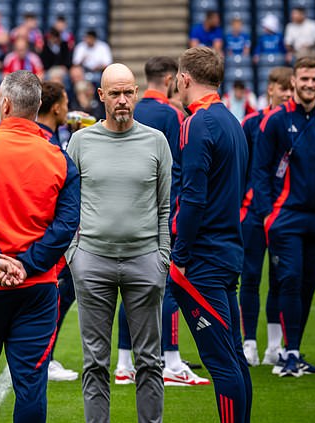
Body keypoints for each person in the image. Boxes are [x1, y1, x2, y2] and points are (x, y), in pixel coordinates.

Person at [0, 70, 80, 422]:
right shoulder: (59, 158)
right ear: (38, 107)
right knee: (31, 386)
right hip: (37, 290)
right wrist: (29, 264)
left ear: (5, 104)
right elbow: (66, 224)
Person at [66, 63, 171, 423]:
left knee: (149, 361)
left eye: (128, 92)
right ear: (101, 97)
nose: (123, 100)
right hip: (92, 261)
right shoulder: (80, 141)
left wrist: (163, 257)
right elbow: (68, 203)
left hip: (145, 261)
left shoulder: (156, 141)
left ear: (137, 93)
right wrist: (73, 255)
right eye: (115, 93)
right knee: (95, 362)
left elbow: (165, 205)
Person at [114, 56, 208, 387]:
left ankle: (124, 364)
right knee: (164, 288)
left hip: (126, 214)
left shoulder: (129, 111)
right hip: (160, 215)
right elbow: (178, 171)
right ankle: (171, 361)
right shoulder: (174, 116)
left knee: (127, 288)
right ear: (169, 79)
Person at [169, 46, 252, 422]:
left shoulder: (197, 123)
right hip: (227, 250)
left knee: (220, 362)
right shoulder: (233, 120)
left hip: (203, 258)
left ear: (185, 79)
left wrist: (181, 257)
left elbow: (193, 198)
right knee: (233, 355)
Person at [252, 57, 315, 377]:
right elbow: (260, 171)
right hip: (285, 218)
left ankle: (294, 350)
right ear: (294, 81)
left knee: (306, 284)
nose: (309, 84)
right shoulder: (275, 120)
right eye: (304, 79)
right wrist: (268, 216)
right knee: (289, 279)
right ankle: (288, 355)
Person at [239, 66, 293, 367]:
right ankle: (250, 345)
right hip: (251, 213)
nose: (286, 93)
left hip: (283, 213)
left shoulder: (294, 124)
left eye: (290, 88)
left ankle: (274, 346)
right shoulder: (251, 123)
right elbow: (241, 169)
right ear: (270, 89)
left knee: (279, 279)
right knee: (249, 277)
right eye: (281, 87)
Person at [34, 81, 78, 382]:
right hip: (49, 236)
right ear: (57, 107)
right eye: (65, 102)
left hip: (39, 233)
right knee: (57, 293)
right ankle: (43, 357)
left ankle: (42, 356)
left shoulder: (45, 137)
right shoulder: (47, 144)